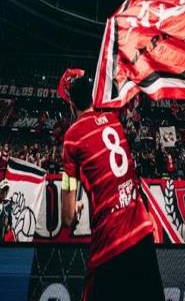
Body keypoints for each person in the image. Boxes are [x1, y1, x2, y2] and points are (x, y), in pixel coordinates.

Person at [60, 74, 164, 301]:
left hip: (110, 244)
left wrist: (70, 194)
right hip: (141, 233)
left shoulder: (72, 137)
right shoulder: (113, 121)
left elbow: (67, 217)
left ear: (71, 104)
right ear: (92, 98)